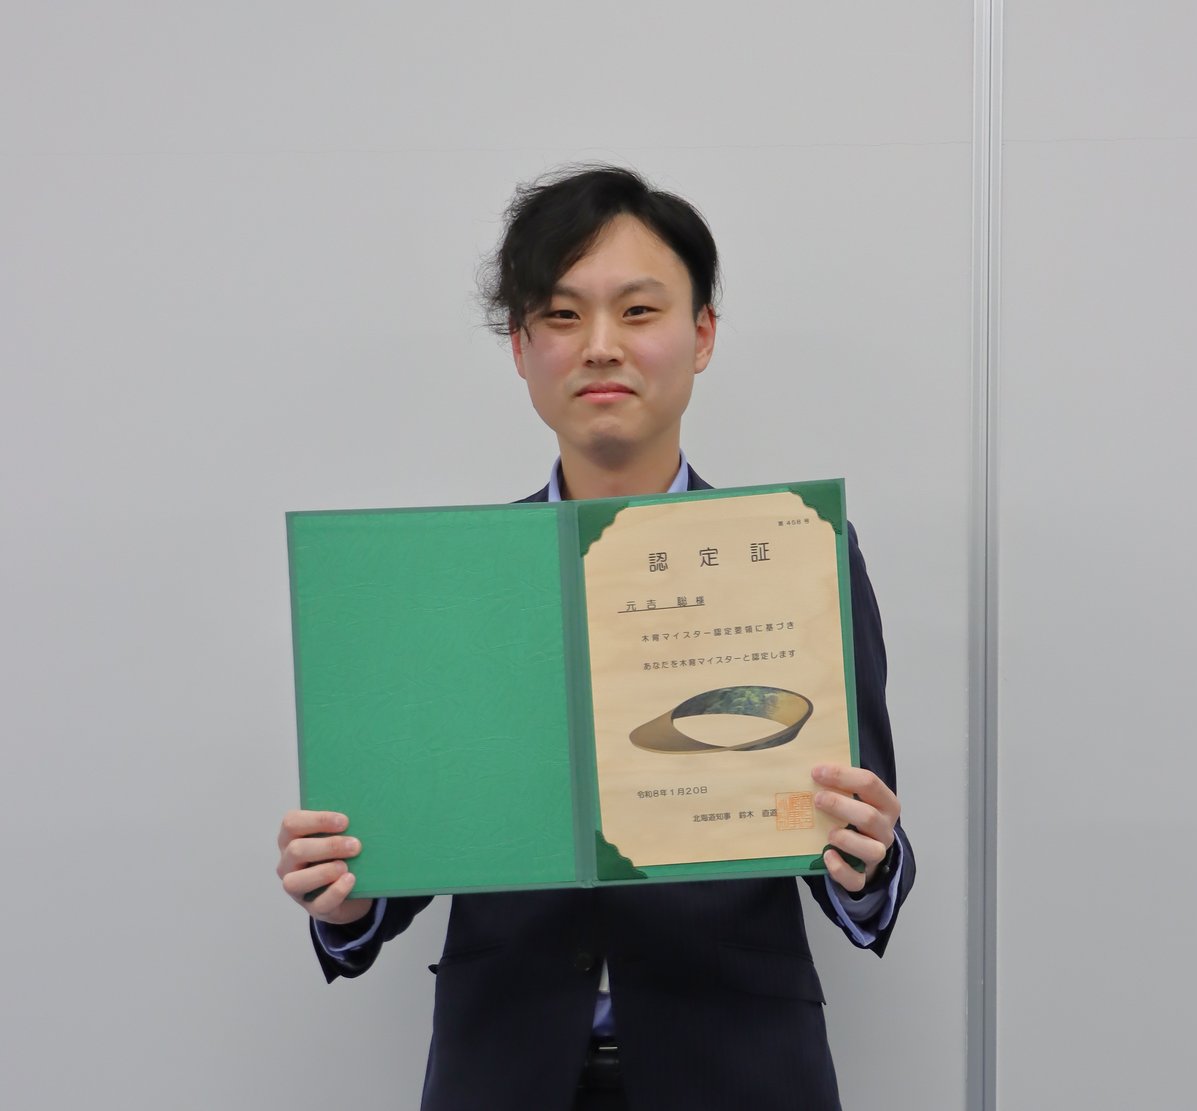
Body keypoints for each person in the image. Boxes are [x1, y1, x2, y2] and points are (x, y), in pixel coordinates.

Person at [276, 165, 915, 1110]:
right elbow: (412, 849)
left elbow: (865, 863)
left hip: (741, 1074)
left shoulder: (794, 552)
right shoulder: (454, 581)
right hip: (503, 1074)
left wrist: (868, 862)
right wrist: (350, 891)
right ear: (520, 345)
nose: (601, 345)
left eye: (639, 310)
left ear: (702, 334)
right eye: (563, 316)